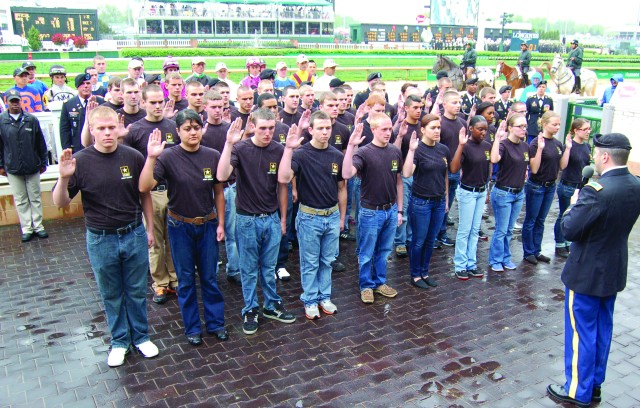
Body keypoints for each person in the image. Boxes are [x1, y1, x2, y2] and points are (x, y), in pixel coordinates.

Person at [52, 106, 159, 367]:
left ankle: (141, 336)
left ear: (118, 126)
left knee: (136, 290)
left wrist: (149, 227)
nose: (107, 133)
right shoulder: (81, 161)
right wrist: (63, 178)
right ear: (92, 130)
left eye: (112, 127)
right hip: (101, 239)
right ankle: (120, 341)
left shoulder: (133, 157)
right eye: (101, 128)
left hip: (132, 232)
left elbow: (144, 193)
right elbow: (60, 203)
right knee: (111, 293)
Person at [547, 133, 640, 408]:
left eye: (596, 153)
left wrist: (575, 203)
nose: (594, 158)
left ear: (605, 157)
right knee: (602, 329)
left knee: (581, 333)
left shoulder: (595, 190)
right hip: (613, 269)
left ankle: (577, 389)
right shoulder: (635, 184)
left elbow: (569, 229)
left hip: (586, 272)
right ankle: (594, 384)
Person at [139, 109, 228, 346]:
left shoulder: (212, 155)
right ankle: (192, 327)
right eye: (187, 129)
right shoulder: (168, 157)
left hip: (207, 225)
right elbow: (144, 186)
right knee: (186, 279)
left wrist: (220, 222)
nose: (192, 133)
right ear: (177, 132)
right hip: (180, 227)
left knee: (209, 277)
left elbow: (218, 191)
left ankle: (216, 323)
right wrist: (151, 157)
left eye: (196, 128)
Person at [217, 109, 296, 335]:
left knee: (269, 267)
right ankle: (250, 308)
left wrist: (282, 219)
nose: (267, 133)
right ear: (252, 126)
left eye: (271, 128)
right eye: (262, 128)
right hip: (246, 219)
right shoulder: (241, 149)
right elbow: (222, 176)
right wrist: (229, 144)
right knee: (249, 269)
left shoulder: (279, 149)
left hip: (270, 218)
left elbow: (283, 183)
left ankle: (271, 304)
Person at [278, 111, 346, 319]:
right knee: (310, 262)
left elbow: (342, 188)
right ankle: (309, 299)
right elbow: (284, 177)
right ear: (311, 130)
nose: (325, 132)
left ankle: (324, 296)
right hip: (309, 217)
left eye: (328, 128)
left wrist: (342, 217)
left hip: (332, 215)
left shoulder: (337, 155)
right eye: (320, 128)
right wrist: (289, 150)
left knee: (327, 260)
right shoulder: (301, 154)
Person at [124, 84, 178, 304]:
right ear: (143, 103)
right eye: (153, 102)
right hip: (151, 193)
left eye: (160, 102)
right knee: (154, 241)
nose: (157, 106)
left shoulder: (174, 126)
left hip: (174, 191)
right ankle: (160, 283)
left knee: (173, 238)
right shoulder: (135, 130)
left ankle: (175, 279)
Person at [342, 112, 402, 304]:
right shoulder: (364, 153)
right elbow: (347, 173)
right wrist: (351, 146)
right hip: (370, 211)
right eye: (383, 129)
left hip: (390, 210)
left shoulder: (394, 151)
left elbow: (399, 182)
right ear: (373, 129)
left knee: (384, 250)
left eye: (389, 129)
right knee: (367, 252)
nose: (387, 133)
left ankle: (379, 282)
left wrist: (399, 210)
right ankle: (366, 285)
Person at [402, 114, 449, 289]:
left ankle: (425, 271)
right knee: (419, 240)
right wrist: (412, 150)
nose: (437, 131)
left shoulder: (443, 149)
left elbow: (444, 175)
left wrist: (446, 199)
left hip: (438, 202)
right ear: (423, 130)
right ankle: (415, 275)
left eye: (438, 128)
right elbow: (407, 173)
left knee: (431, 240)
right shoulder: (418, 149)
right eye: (433, 128)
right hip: (421, 202)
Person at [200, 91, 241, 286]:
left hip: (229, 187)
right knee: (211, 234)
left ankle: (234, 269)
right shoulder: (200, 131)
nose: (217, 111)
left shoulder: (229, 130)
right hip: (207, 190)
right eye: (213, 107)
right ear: (205, 107)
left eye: (221, 107)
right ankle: (211, 272)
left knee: (232, 232)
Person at [0, 89, 49, 242]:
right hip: (13, 167)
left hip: (32, 165)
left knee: (35, 197)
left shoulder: (31, 119)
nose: (15, 104)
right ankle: (27, 228)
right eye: (12, 101)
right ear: (6, 102)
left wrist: (43, 161)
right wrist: (1, 165)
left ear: (20, 101)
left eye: (17, 101)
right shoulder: (2, 121)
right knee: (21, 199)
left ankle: (38, 226)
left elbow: (40, 142)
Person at [450, 116, 491, 280]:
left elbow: (488, 168)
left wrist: (487, 189)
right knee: (464, 230)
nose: (483, 133)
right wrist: (460, 145)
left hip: (481, 191)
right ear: (471, 129)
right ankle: (460, 265)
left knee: (475, 230)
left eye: (485, 130)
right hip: (467, 192)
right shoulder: (465, 146)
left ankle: (471, 264)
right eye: (480, 129)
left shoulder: (487, 146)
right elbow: (453, 168)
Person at [521, 111, 565, 264]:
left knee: (541, 220)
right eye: (554, 124)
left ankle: (537, 250)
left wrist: (569, 148)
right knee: (531, 220)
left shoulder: (558, 144)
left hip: (550, 186)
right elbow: (533, 168)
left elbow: (562, 166)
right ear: (544, 124)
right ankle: (528, 252)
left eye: (558, 124)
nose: (557, 127)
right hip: (537, 186)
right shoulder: (535, 143)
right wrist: (540, 149)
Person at [488, 113, 529, 272]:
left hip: (519, 193)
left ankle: (506, 257)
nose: (523, 129)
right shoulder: (504, 145)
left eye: (525, 126)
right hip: (504, 193)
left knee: (510, 229)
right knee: (501, 229)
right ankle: (495, 260)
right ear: (510, 128)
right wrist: (497, 138)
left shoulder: (525, 146)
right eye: (520, 126)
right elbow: (494, 159)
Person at [553, 118, 592, 258]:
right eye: (585, 129)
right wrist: (568, 149)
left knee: (575, 215)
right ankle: (559, 244)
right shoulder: (569, 145)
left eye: (589, 129)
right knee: (564, 214)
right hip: (568, 186)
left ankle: (568, 242)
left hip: (580, 187)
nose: (588, 131)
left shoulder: (587, 147)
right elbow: (562, 166)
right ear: (576, 130)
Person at [437, 90, 466, 247]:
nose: (458, 105)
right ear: (445, 104)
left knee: (448, 204)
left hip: (456, 171)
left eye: (459, 102)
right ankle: (436, 233)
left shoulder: (462, 123)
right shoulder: (440, 124)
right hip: (442, 172)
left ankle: (442, 232)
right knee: (441, 203)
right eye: (454, 102)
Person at [60, 73, 104, 153]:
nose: (86, 86)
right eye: (82, 84)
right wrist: (67, 148)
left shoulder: (102, 102)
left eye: (88, 83)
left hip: (99, 147)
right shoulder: (69, 104)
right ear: (77, 86)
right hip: (78, 148)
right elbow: (64, 130)